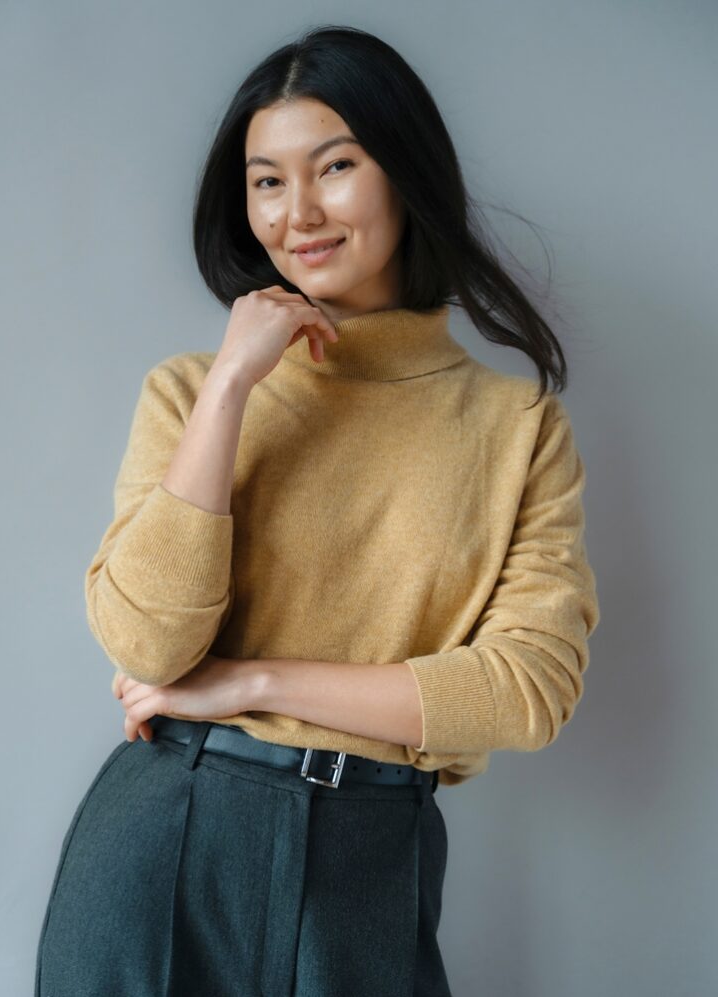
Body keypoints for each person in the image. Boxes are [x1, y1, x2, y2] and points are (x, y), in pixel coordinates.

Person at [33, 23, 600, 997]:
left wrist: (249, 681)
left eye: (335, 166)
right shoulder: (190, 392)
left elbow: (526, 691)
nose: (297, 212)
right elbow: (147, 645)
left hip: (369, 857)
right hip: (166, 834)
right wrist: (231, 388)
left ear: (404, 171)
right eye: (267, 181)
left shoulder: (517, 429)